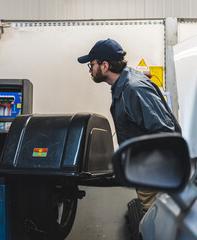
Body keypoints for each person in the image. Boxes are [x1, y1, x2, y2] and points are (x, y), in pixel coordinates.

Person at [77, 39, 181, 214]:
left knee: (153, 221)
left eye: (91, 64)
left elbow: (165, 133)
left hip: (153, 174)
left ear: (105, 65)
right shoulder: (124, 85)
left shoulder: (134, 88)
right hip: (147, 170)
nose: (90, 69)